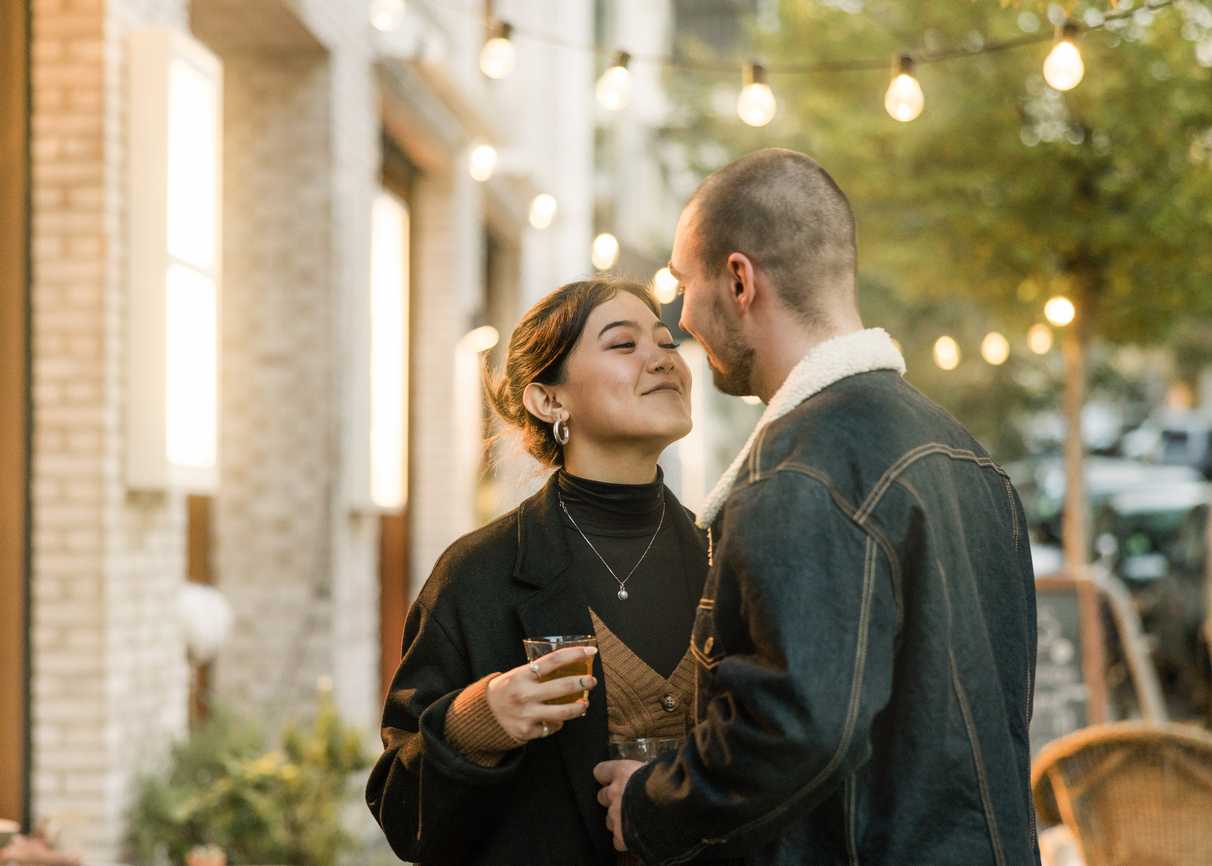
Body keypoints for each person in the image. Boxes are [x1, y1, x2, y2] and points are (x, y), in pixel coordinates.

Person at [595, 148, 1040, 865]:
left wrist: (652, 804)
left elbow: (797, 724)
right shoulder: (970, 459)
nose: (681, 318)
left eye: (684, 286)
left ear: (740, 281)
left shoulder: (800, 469)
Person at [366, 278, 709, 865]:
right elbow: (404, 818)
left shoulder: (726, 558)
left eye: (667, 343)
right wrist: (479, 724)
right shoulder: (477, 575)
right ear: (549, 401)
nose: (663, 359)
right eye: (623, 345)